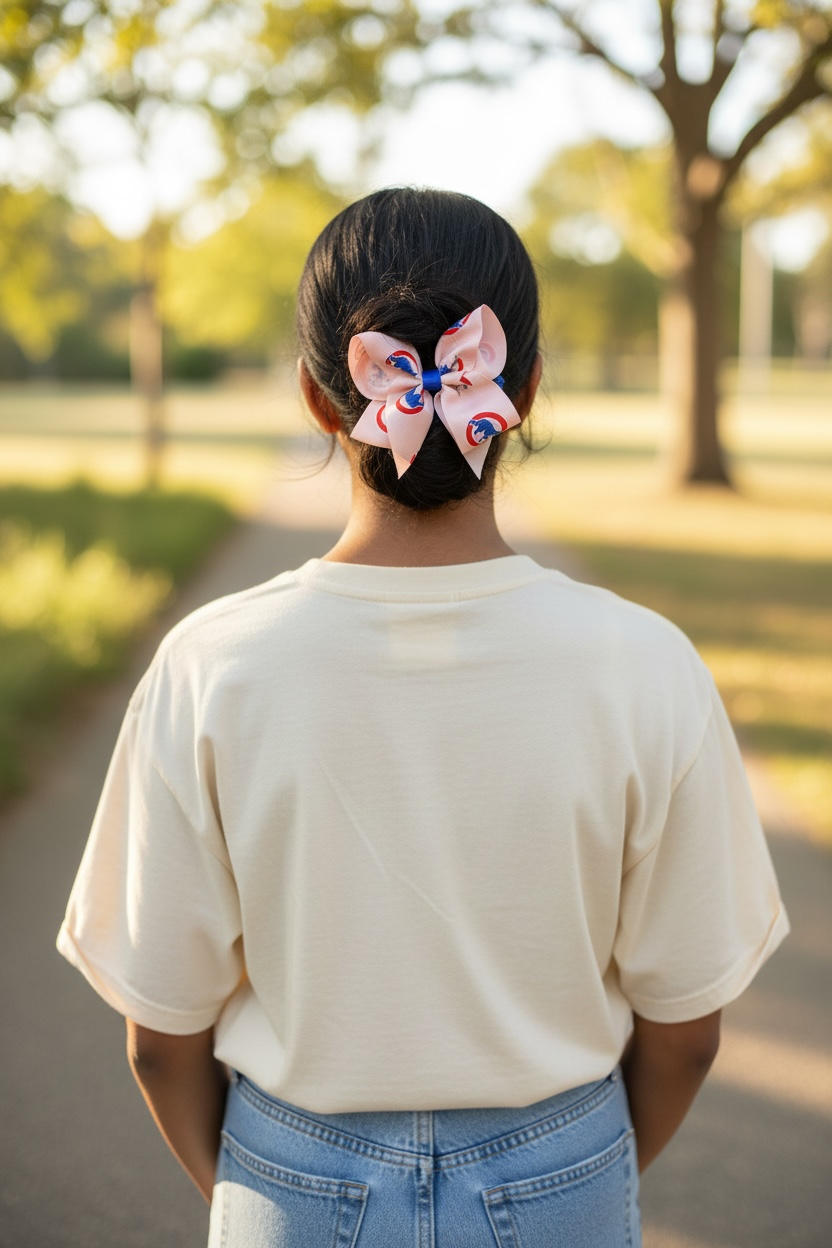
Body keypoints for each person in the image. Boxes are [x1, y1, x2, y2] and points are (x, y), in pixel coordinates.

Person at [58, 187, 789, 1248]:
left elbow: (160, 1038)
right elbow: (685, 1032)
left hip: (290, 1172)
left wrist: (258, 1189)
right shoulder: (645, 664)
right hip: (562, 1169)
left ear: (318, 399)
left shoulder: (211, 665)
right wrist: (569, 1177)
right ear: (524, 390)